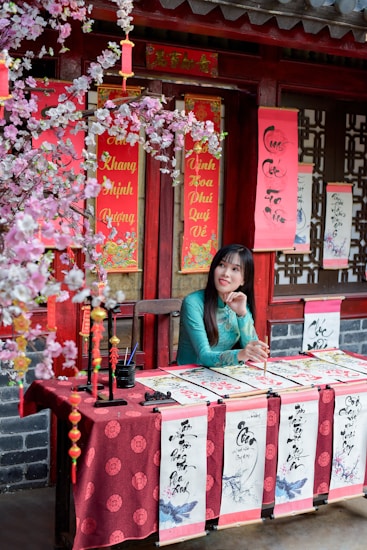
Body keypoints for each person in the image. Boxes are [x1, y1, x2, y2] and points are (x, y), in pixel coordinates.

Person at [177, 243, 269, 367]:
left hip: (224, 374)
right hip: (189, 376)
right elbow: (204, 356)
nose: (226, 273)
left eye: (235, 269)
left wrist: (242, 314)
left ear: (244, 280)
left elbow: (252, 351)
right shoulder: (193, 303)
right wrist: (240, 354)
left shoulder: (239, 301)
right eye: (221, 265)